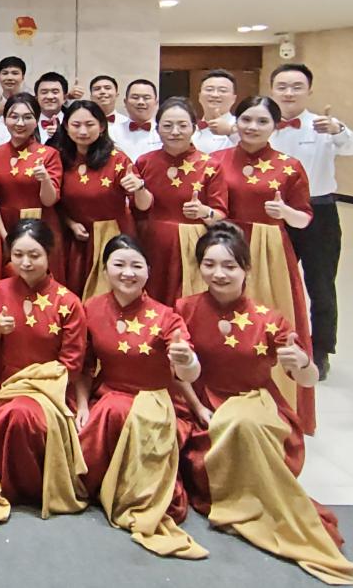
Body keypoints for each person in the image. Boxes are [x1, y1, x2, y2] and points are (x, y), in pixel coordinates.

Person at [174, 224, 353, 585]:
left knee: (243, 424)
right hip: (203, 404)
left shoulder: (269, 319)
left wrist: (302, 363)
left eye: (229, 265)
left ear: (246, 268)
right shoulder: (186, 309)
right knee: (208, 443)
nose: (218, 273)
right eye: (209, 264)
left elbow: (306, 379)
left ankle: (267, 508)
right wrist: (197, 408)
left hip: (254, 402)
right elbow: (181, 373)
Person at [75, 235, 207, 559]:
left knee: (116, 411)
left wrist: (186, 360)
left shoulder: (166, 317)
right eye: (119, 264)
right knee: (103, 412)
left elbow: (187, 372)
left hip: (155, 402)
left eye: (136, 266)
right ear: (105, 269)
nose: (128, 273)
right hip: (106, 395)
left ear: (148, 270)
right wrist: (81, 405)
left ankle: (125, 493)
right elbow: (84, 368)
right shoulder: (91, 309)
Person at [210, 95, 316, 431]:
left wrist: (285, 212)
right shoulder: (214, 160)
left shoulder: (289, 166)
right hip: (222, 246)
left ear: (275, 126)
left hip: (267, 251)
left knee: (268, 321)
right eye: (246, 119)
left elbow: (305, 219)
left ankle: (275, 402)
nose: (252, 127)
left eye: (262, 121)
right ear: (236, 121)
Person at [0, 219, 89, 516]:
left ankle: (21, 488)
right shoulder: (0, 289)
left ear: (49, 254)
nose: (25, 262)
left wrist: (33, 386)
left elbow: (71, 365)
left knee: (20, 414)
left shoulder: (68, 302)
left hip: (47, 391)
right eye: (18, 254)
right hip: (3, 383)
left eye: (34, 255)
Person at [269, 63, 353, 378]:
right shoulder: (262, 124)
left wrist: (338, 129)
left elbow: (352, 147)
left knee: (321, 283)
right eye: (282, 86)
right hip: (275, 213)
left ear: (309, 90)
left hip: (318, 212)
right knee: (274, 280)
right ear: (272, 90)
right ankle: (272, 340)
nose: (289, 93)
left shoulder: (323, 125)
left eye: (296, 87)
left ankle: (320, 349)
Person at [131, 98, 227, 304]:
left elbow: (220, 215)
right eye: (167, 125)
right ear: (157, 129)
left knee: (188, 300)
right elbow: (137, 209)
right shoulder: (144, 162)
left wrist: (204, 212)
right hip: (151, 243)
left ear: (194, 128)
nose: (175, 132)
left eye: (182, 125)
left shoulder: (211, 165)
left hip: (193, 244)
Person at [52, 100, 137, 298]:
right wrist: (70, 224)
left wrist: (139, 187)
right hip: (75, 239)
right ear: (66, 127)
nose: (83, 131)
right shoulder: (60, 159)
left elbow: (142, 203)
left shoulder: (118, 159)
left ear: (102, 126)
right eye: (76, 125)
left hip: (111, 235)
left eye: (89, 124)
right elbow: (56, 203)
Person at [0, 92, 64, 278]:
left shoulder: (49, 154)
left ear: (36, 121)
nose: (20, 123)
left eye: (27, 117)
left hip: (41, 225)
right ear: (4, 120)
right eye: (14, 117)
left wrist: (45, 179)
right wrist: (3, 233)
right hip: (5, 226)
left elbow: (49, 200)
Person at [112, 79, 161, 162]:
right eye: (135, 97)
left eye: (146, 98)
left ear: (156, 103)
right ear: (125, 102)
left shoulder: (164, 133)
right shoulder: (111, 132)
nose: (141, 102)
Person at [192, 68, 238, 155]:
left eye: (223, 91)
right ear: (199, 96)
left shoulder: (241, 126)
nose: (215, 95)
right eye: (209, 90)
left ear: (234, 98)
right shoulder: (189, 128)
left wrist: (230, 131)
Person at [34, 72, 68, 142]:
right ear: (36, 98)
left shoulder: (73, 122)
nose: (49, 97)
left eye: (55, 92)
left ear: (64, 98)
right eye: (44, 92)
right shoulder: (29, 121)